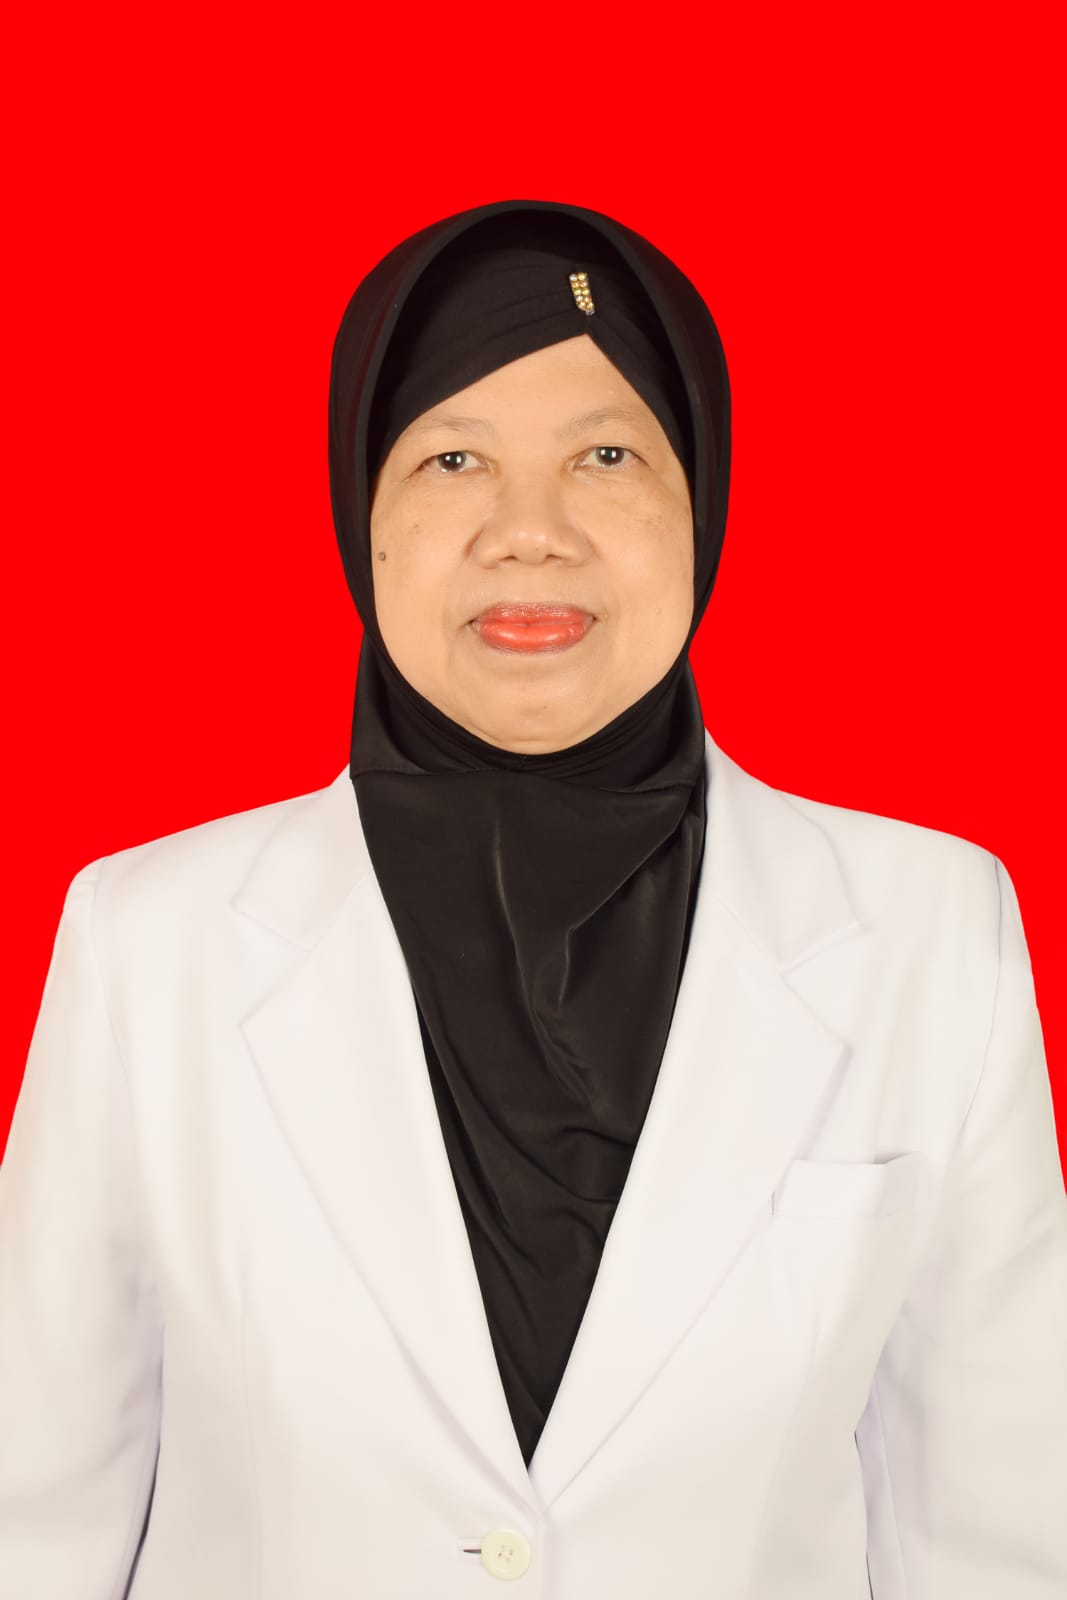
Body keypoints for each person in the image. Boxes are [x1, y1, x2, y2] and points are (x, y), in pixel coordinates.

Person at [0, 198, 1064, 1598]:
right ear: (361, 513)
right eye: (453, 459)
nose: (529, 532)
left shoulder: (932, 933)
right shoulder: (148, 945)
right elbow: (34, 1522)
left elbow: (993, 1534)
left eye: (606, 456)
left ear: (703, 498)